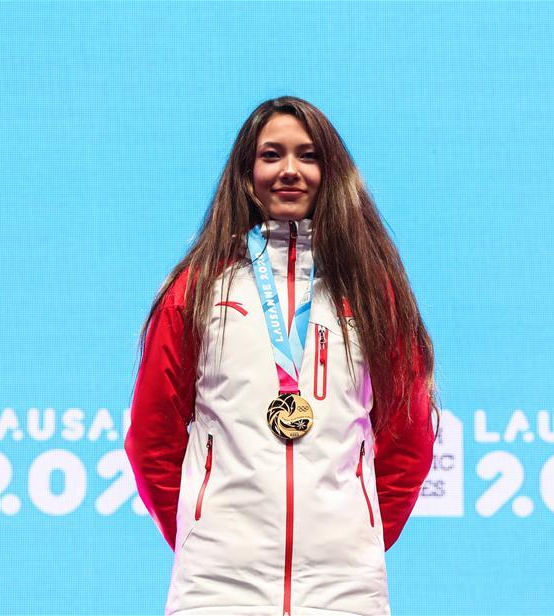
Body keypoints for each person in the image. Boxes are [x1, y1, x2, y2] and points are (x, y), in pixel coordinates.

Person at [125, 96, 439, 616]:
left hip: (344, 592)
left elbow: (408, 440)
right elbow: (151, 440)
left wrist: (349, 541)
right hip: (217, 589)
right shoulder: (197, 289)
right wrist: (205, 535)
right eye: (272, 155)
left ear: (330, 171)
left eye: (308, 155)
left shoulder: (371, 292)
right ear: (247, 174)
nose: (289, 170)